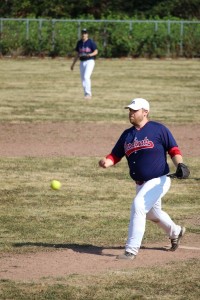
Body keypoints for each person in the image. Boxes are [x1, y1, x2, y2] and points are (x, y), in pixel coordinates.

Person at [99, 98, 190, 260]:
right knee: (153, 214)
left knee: (138, 205)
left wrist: (180, 165)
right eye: (130, 110)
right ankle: (176, 231)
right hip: (140, 183)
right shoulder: (127, 135)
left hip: (159, 179)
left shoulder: (158, 129)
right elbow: (115, 155)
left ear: (145, 112)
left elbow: (173, 149)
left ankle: (131, 250)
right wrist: (107, 162)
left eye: (134, 110)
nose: (131, 113)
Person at [70, 28, 98, 99]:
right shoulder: (79, 43)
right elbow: (77, 54)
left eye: (85, 33)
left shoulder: (90, 42)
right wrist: (73, 64)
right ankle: (86, 94)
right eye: (82, 33)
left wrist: (89, 55)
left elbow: (96, 51)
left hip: (90, 61)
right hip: (82, 62)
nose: (83, 34)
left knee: (86, 77)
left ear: (87, 34)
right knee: (83, 79)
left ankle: (88, 94)